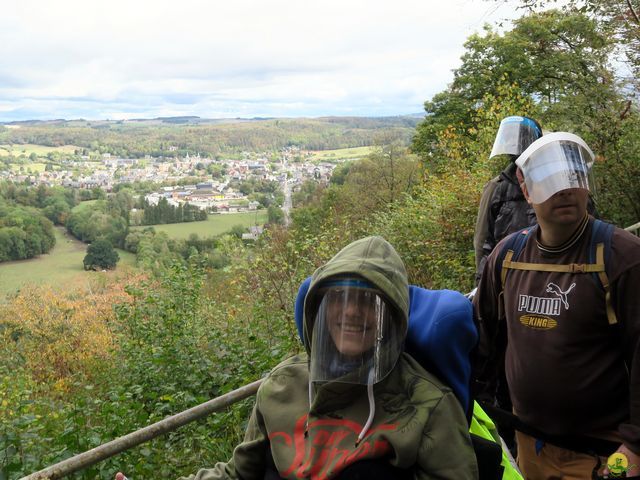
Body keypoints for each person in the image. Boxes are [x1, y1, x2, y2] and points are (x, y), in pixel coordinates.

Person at [174, 236, 478, 479]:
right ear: (319, 309)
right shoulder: (283, 384)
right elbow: (238, 473)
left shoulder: (426, 404)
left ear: (392, 317)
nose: (351, 311)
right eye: (338, 298)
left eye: (368, 302)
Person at [473, 132, 640, 479]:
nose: (564, 189)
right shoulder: (507, 256)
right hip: (528, 445)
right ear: (526, 190)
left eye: (573, 177)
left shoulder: (621, 257)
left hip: (605, 455)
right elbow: (482, 337)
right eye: (549, 179)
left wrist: (636, 446)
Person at [474, 116, 542, 284]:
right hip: (506, 279)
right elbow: (483, 242)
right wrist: (482, 285)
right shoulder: (497, 188)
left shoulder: (552, 181)